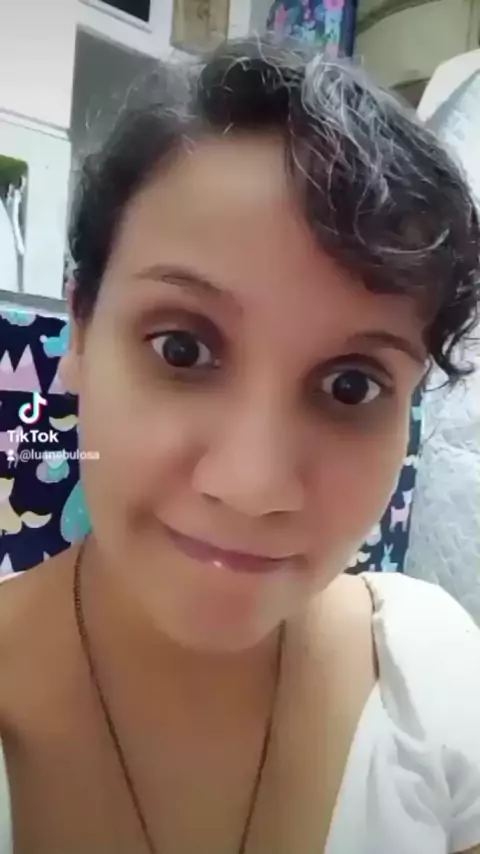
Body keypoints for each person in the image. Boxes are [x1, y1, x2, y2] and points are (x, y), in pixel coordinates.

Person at [0, 39, 479, 854]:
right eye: (182, 349)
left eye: (351, 386)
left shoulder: (435, 679)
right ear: (79, 329)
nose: (254, 485)